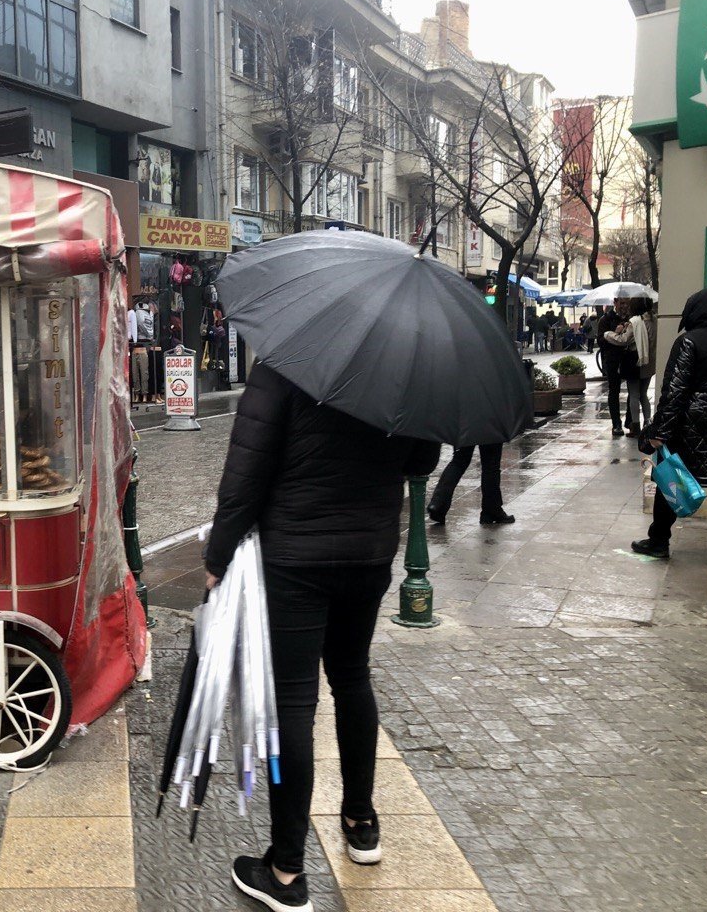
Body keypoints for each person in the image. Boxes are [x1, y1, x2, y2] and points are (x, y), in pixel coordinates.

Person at [203, 361, 440, 912]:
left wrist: (218, 555)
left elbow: (246, 472)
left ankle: (286, 871)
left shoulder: (284, 363)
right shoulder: (403, 365)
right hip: (369, 551)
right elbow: (421, 461)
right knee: (352, 677)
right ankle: (361, 823)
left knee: (293, 701)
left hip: (295, 557)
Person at [631, 287, 707, 560]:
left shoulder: (690, 341)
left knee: (671, 477)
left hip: (693, 425)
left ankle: (658, 540)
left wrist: (659, 432)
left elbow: (675, 392)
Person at [426, 444, 514, 526]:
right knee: (491, 464)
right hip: (489, 432)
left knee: (459, 460)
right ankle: (491, 510)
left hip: (465, 431)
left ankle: (438, 503)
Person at [603, 297, 655, 436]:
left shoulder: (635, 322)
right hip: (650, 362)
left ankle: (635, 425)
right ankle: (648, 423)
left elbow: (623, 340)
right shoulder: (654, 319)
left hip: (635, 362)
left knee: (634, 394)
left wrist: (609, 334)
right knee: (644, 394)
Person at [598, 300, 630, 436]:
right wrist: (614, 333)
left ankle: (630, 421)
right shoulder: (606, 319)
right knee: (614, 391)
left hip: (629, 358)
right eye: (621, 303)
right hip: (612, 360)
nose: (624, 306)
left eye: (626, 303)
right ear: (615, 303)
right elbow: (600, 341)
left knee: (633, 391)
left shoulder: (631, 319)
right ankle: (616, 423)